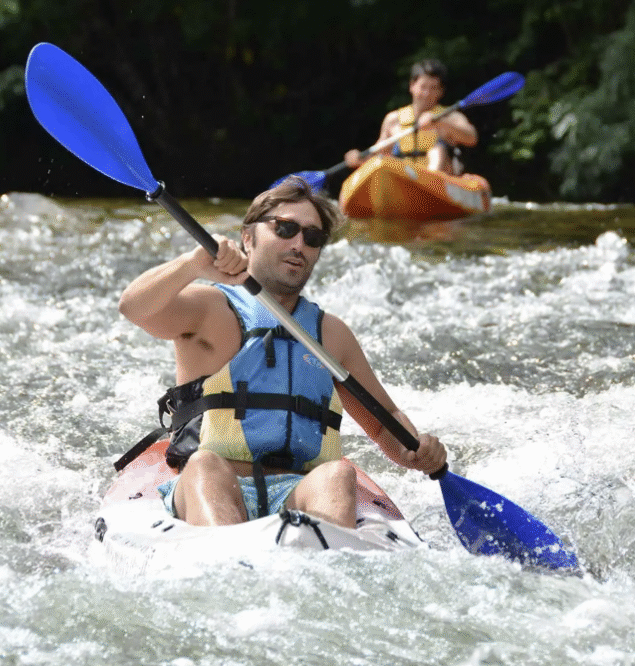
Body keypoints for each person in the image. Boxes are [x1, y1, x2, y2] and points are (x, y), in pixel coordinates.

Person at [118, 178, 447, 528]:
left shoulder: (331, 334)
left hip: (299, 489)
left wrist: (414, 449)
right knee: (205, 465)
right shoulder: (211, 309)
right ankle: (223, 550)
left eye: (313, 237)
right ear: (248, 238)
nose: (298, 245)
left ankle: (326, 553)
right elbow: (133, 308)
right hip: (216, 482)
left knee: (337, 474)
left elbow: (383, 422)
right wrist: (192, 265)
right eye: (285, 229)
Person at [344, 58, 478, 175]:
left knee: (437, 150)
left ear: (441, 92)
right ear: (412, 86)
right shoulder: (393, 120)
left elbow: (472, 138)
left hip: (438, 183)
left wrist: (440, 122)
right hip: (404, 182)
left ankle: (428, 181)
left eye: (433, 88)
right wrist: (360, 158)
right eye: (423, 87)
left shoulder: (450, 117)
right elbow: (379, 154)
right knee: (387, 161)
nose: (427, 93)